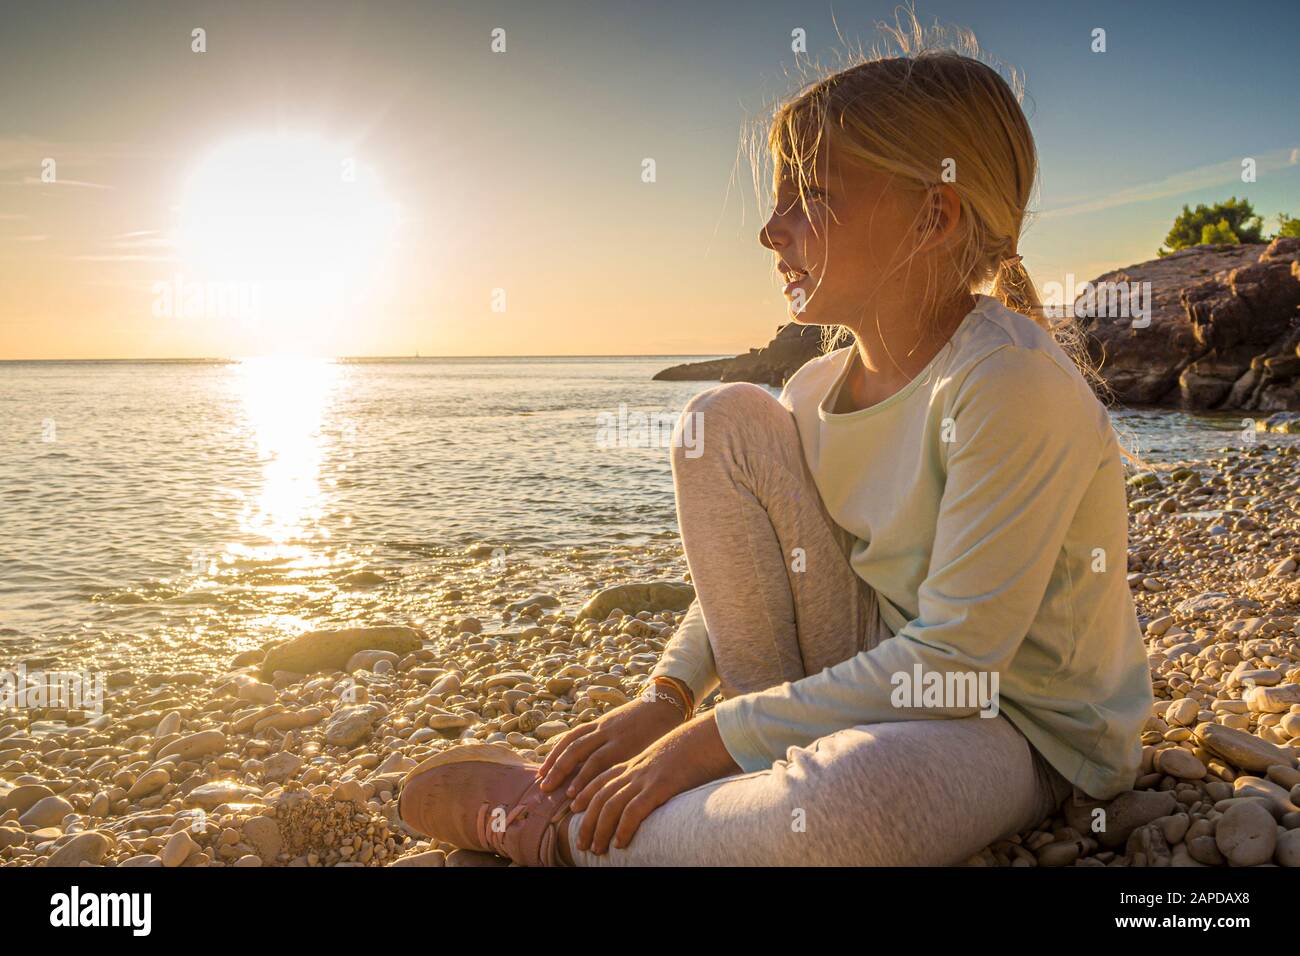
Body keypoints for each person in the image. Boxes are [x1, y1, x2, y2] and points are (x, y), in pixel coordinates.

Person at [397, 16, 1152, 866]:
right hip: (871, 671)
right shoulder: (814, 389)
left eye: (811, 199)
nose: (772, 229)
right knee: (720, 420)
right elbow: (754, 569)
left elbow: (960, 662)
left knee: (857, 805)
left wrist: (709, 740)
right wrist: (670, 697)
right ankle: (738, 800)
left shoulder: (1007, 383)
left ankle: (565, 835)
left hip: (1016, 724)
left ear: (930, 217)